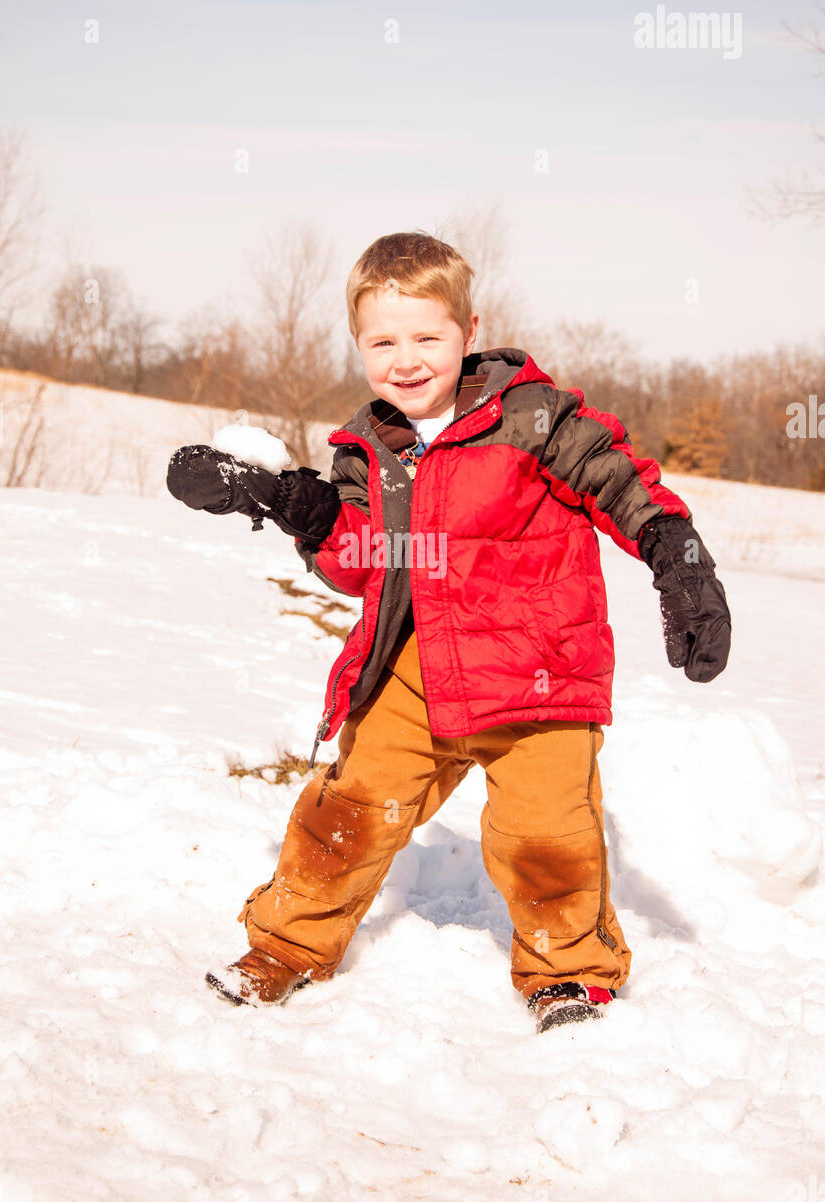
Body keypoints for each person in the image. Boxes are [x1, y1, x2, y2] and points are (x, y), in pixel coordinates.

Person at [166, 231, 731, 1033]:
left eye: (426, 336)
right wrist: (299, 504)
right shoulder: (369, 448)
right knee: (346, 812)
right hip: (414, 670)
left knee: (547, 835)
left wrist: (676, 557)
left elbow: (619, 483)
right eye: (382, 341)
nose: (405, 359)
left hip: (537, 674)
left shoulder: (534, 419)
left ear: (469, 332)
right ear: (358, 345)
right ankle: (285, 947)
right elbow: (362, 563)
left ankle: (567, 975)